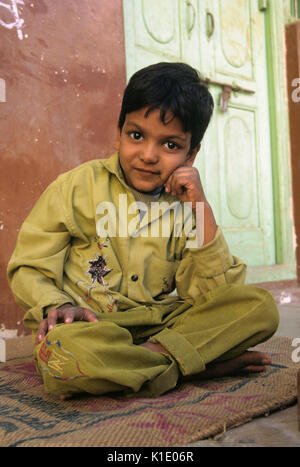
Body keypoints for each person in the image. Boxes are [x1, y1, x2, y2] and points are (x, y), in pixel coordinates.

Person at [7, 62, 279, 400]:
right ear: (118, 132)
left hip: (159, 325)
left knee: (260, 307)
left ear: (190, 154)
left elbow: (216, 295)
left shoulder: (185, 206)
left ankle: (147, 363)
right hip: (91, 326)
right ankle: (196, 365)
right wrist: (57, 304)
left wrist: (201, 208)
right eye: (136, 136)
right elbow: (29, 267)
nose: (148, 155)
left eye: (170, 145)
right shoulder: (75, 187)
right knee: (61, 353)